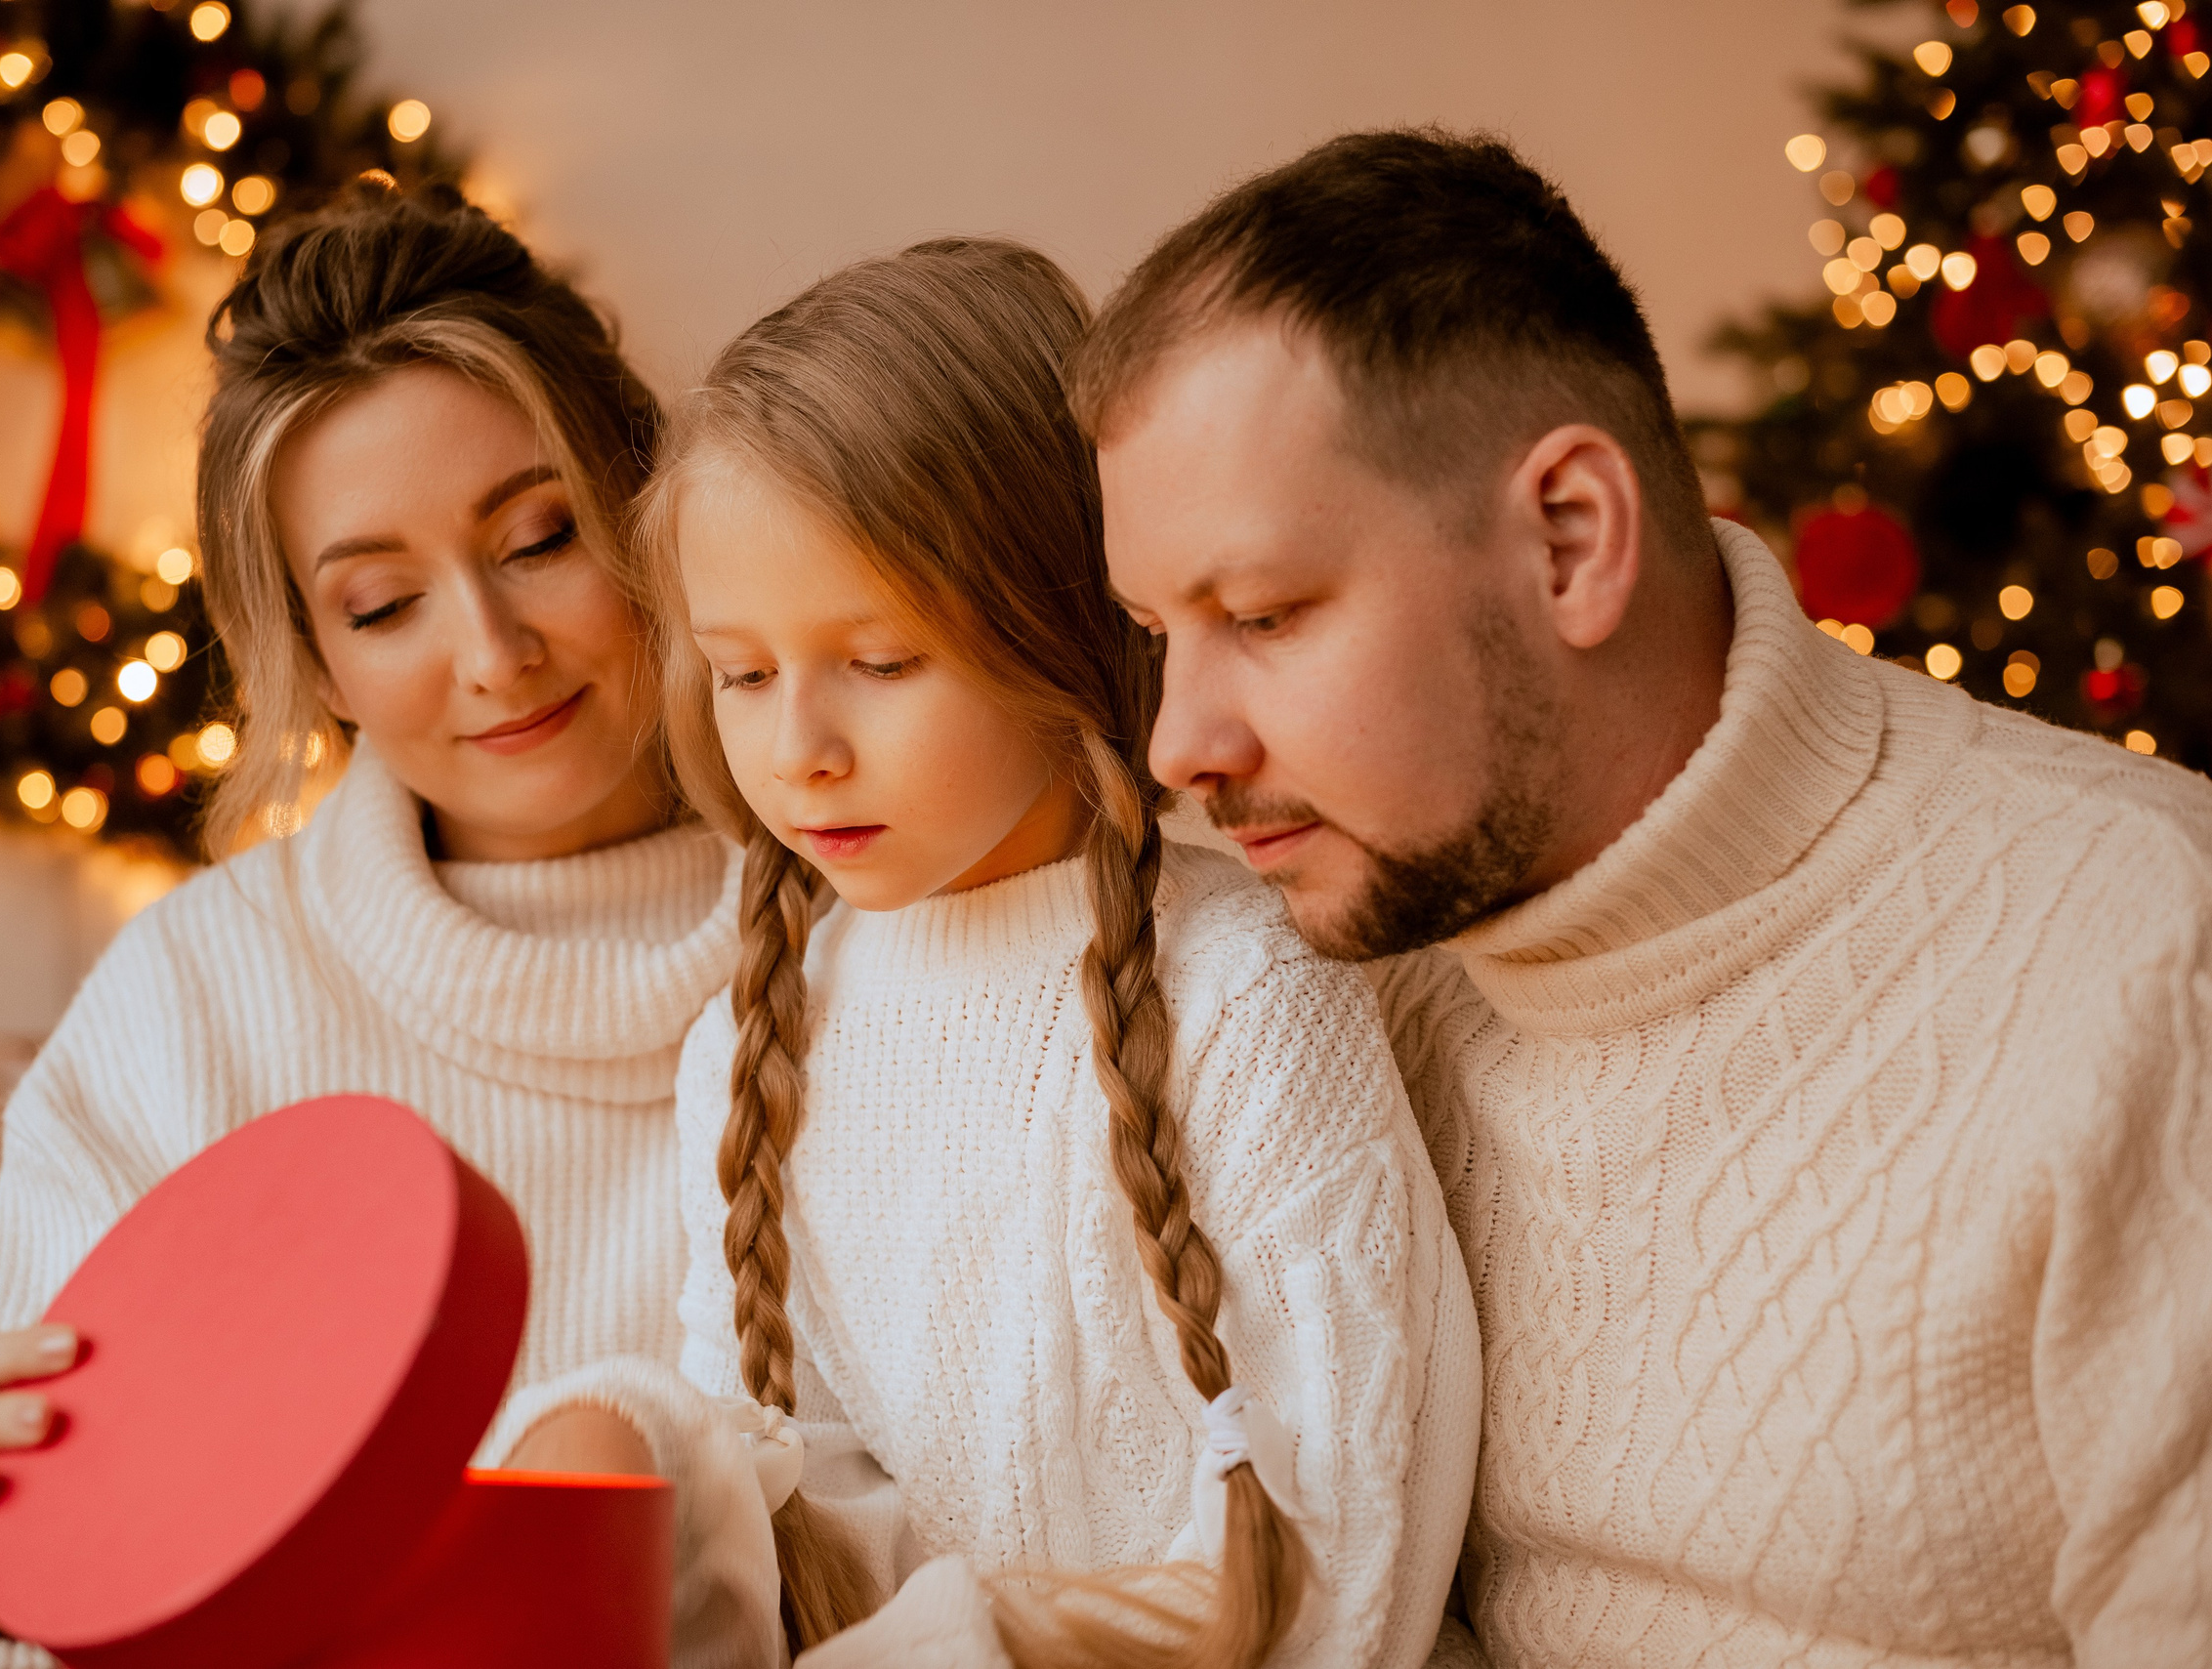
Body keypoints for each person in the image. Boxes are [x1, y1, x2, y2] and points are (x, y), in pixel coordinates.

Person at [1076, 127, 2212, 1665]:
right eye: (1159, 632)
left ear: (1571, 538)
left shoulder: (2154, 961)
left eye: (1263, 614)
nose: (1179, 744)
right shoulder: (1339, 989)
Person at [0, 184, 747, 1668]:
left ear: (649, 507)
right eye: (383, 603)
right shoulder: (199, 982)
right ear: (315, 658)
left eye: (540, 536)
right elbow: (39, 1506)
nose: (493, 652)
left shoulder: (867, 912)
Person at [514, 236, 1479, 1669]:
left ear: (1059, 625)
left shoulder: (1246, 997)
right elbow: (806, 1493)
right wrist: (636, 1442)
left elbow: (1345, 1557)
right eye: (743, 673)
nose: (801, 751)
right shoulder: (757, 1034)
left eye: (883, 661)